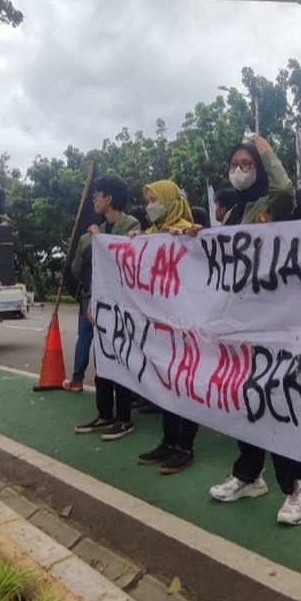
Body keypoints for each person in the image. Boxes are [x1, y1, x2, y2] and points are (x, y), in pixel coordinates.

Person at [208, 135, 301, 526]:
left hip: (276, 321)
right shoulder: (234, 213)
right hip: (242, 324)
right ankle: (248, 475)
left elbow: (285, 187)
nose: (239, 170)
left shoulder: (273, 205)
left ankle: (298, 485)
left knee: (278, 400)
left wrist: (265, 149)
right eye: (234, 163)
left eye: (247, 163)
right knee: (244, 398)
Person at [133, 180, 200, 475]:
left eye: (154, 199)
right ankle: (168, 441)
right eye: (147, 200)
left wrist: (187, 239)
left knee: (185, 384)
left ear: (171, 201)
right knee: (165, 384)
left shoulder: (187, 231)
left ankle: (185, 446)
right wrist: (132, 243)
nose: (150, 206)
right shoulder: (149, 235)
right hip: (159, 325)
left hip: (186, 324)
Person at [73, 176, 140, 440]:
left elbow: (124, 262)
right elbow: (81, 270)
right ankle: (104, 414)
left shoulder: (129, 225)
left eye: (97, 195)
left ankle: (124, 419)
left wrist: (100, 242)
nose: (94, 200)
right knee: (102, 359)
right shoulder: (96, 230)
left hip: (122, 305)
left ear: (109, 199)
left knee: (120, 358)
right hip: (98, 304)